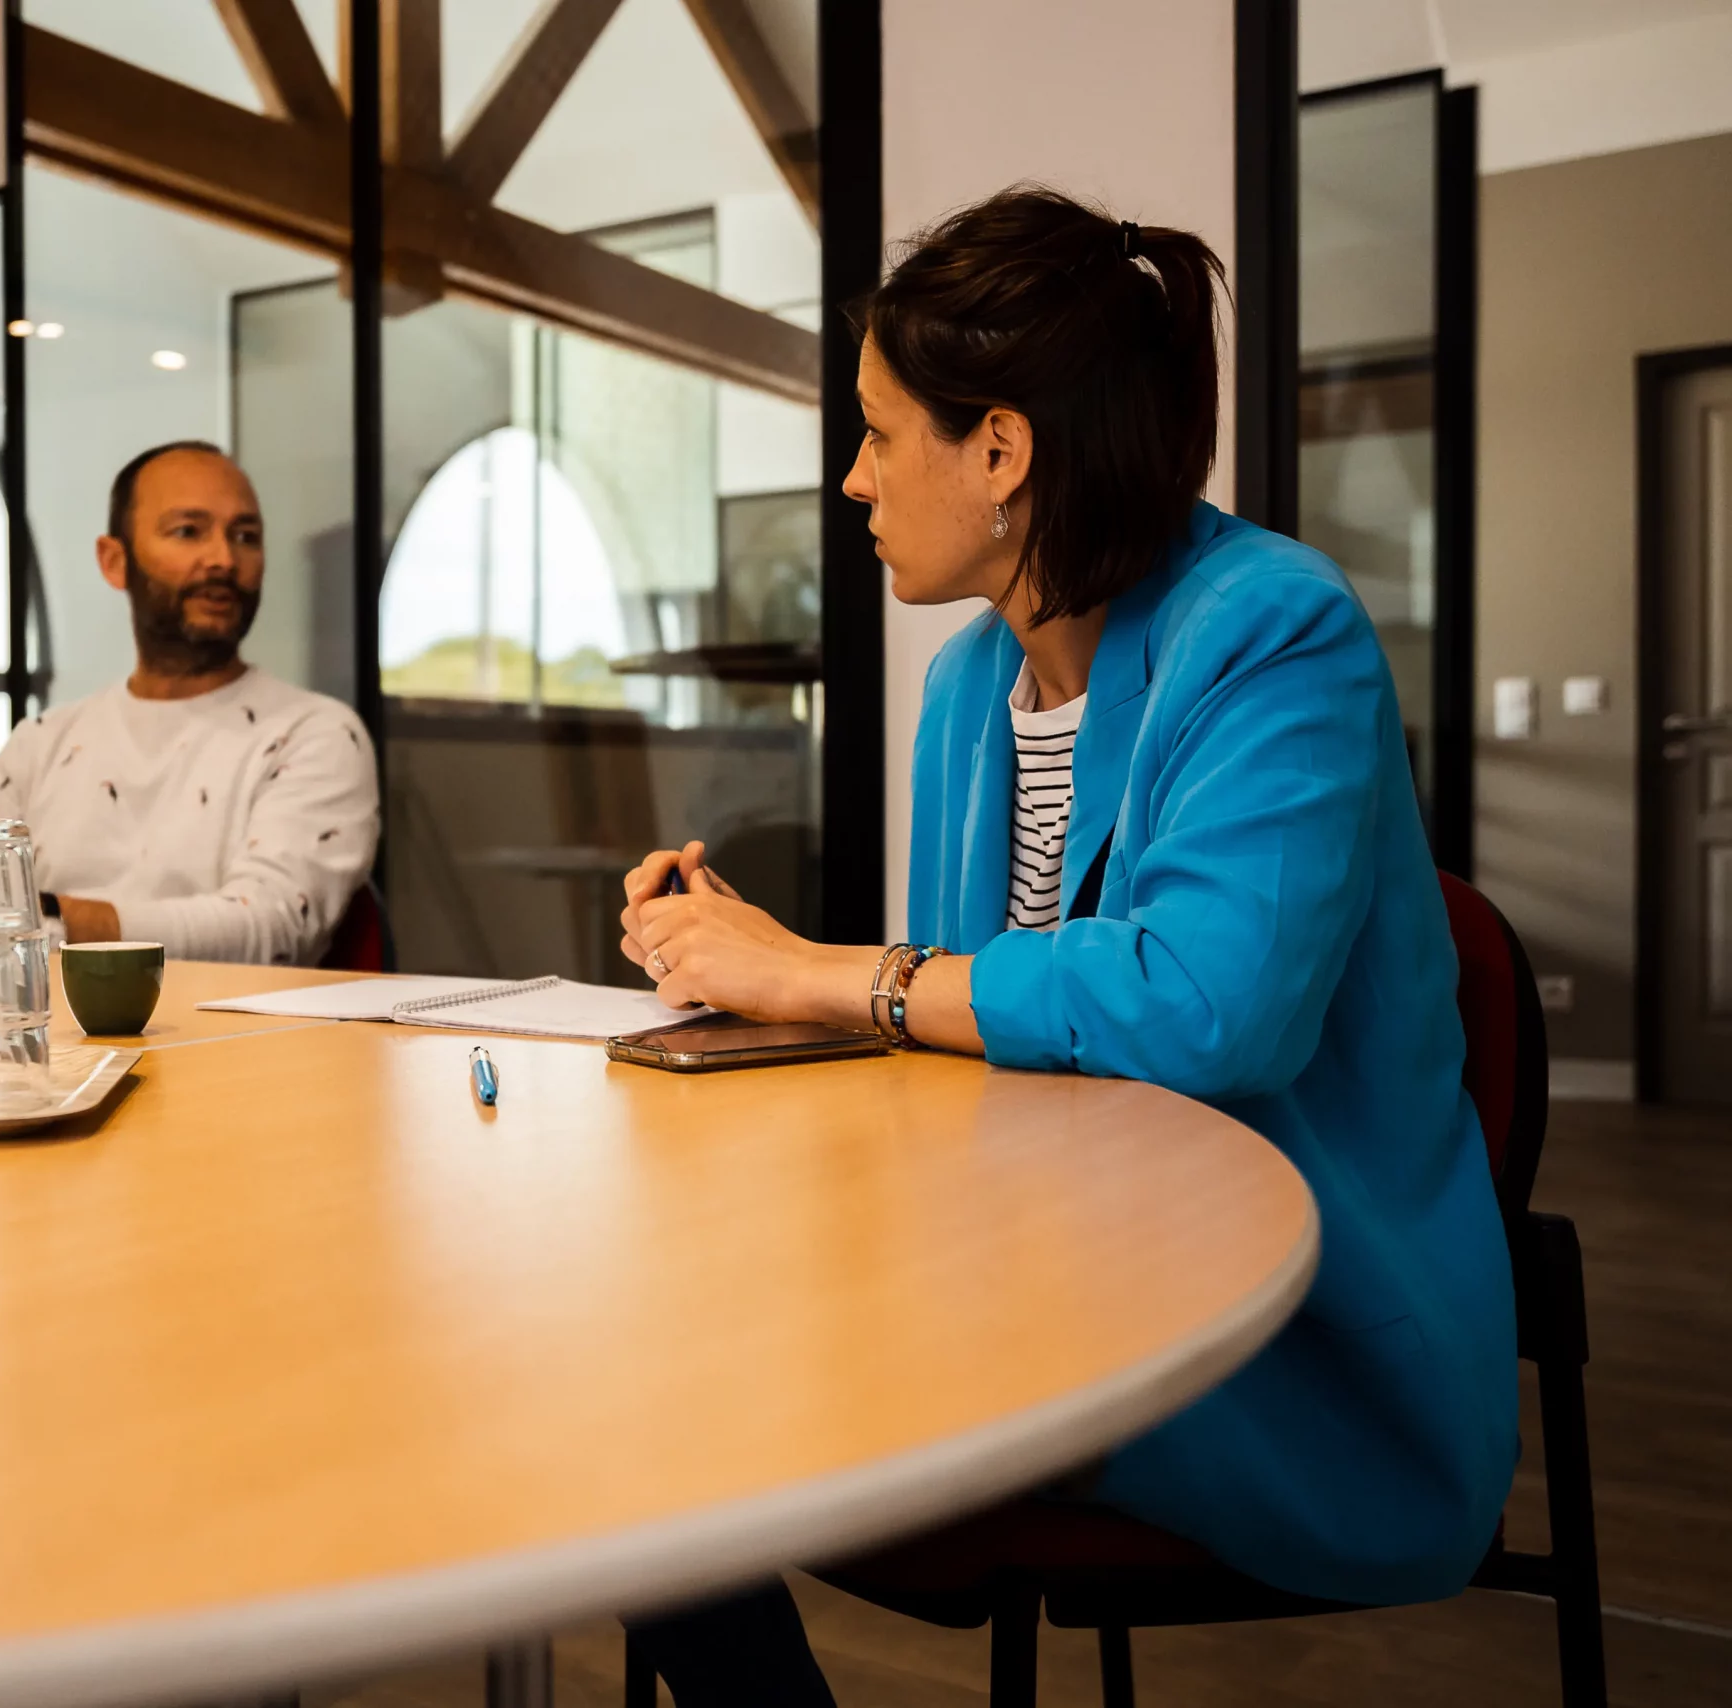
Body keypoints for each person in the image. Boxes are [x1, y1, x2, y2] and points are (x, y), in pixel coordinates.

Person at [616, 187, 1516, 1704]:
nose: (852, 479)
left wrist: (834, 973)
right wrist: (754, 965)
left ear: (1002, 451)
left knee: (648, 1409)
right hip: (1048, 1264)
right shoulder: (975, 687)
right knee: (634, 1355)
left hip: (1268, 1330)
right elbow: (991, 1018)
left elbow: (1207, 1010)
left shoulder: (1278, 630)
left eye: (878, 433)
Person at [0, 441, 378, 965]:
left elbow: (268, 928)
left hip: (240, 1044)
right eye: (188, 531)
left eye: (246, 536)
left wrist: (45, 916)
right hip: (45, 1043)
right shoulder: (39, 744)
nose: (223, 559)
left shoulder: (315, 734)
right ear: (114, 561)